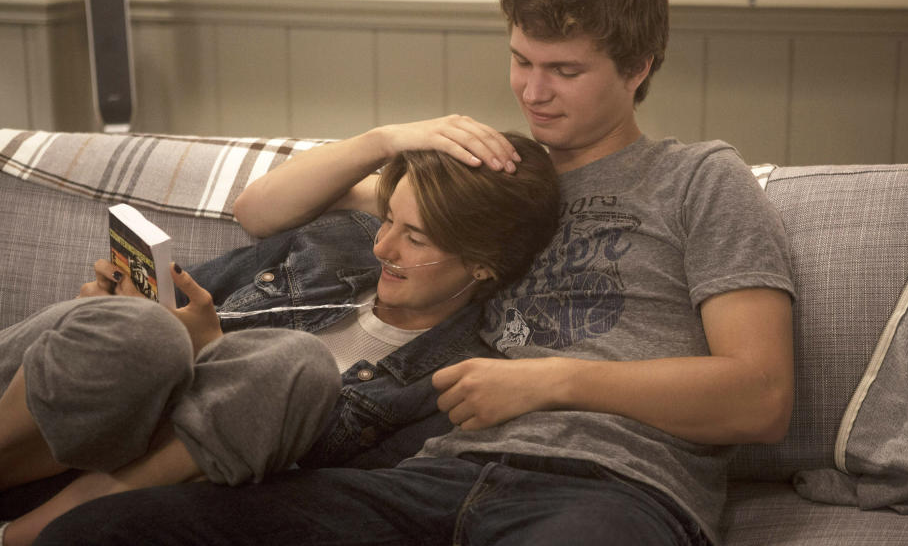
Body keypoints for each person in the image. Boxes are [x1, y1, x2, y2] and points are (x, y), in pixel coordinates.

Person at [32, 0, 794, 546]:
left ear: (638, 68)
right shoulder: (486, 175)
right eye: (521, 60)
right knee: (107, 529)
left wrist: (551, 378)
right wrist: (388, 137)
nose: (532, 91)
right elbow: (262, 212)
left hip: (612, 489)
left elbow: (761, 396)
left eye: (564, 70)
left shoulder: (698, 178)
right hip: (423, 472)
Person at [0, 133, 560, 546]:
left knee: (293, 364)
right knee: (137, 328)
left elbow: (327, 502)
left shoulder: (459, 376)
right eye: (387, 219)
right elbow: (181, 295)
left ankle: (25, 535)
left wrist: (210, 351)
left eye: (414, 237)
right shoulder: (335, 243)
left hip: (141, 484)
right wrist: (114, 303)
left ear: (484, 265)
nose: (383, 248)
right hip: (73, 414)